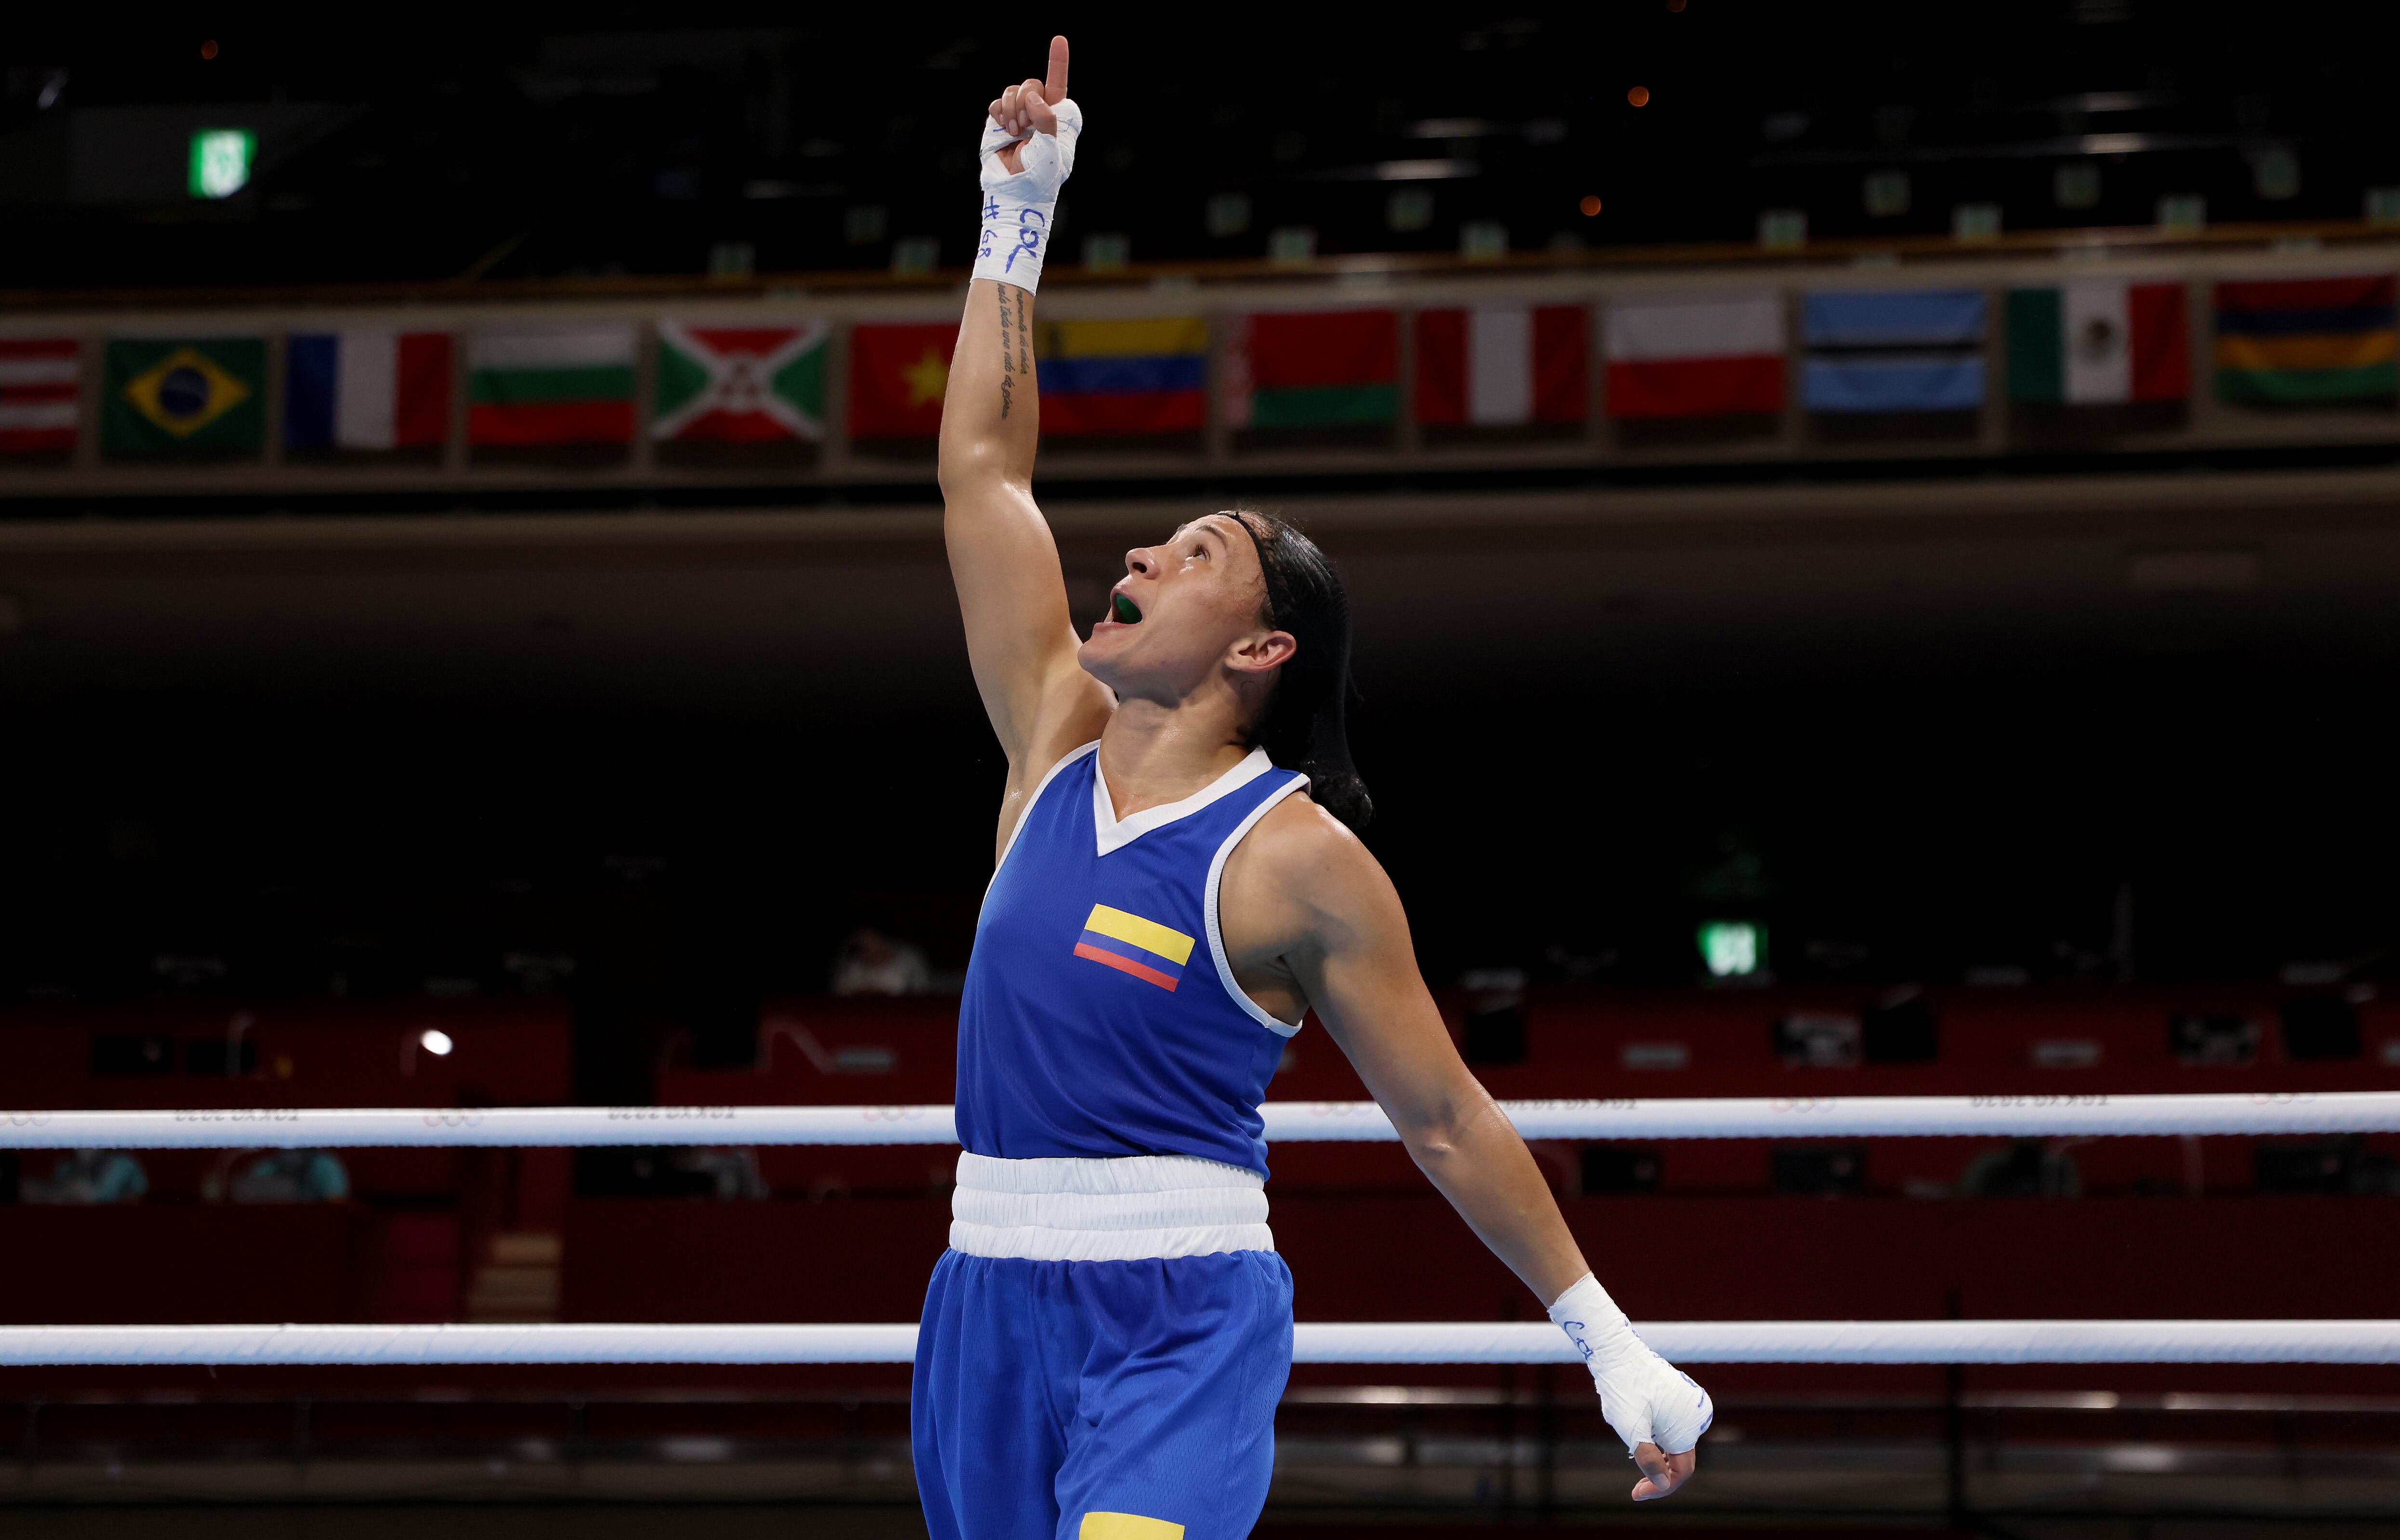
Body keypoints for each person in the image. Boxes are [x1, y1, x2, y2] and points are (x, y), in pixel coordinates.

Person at [914, 38, 1711, 1540]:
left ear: (1263, 647)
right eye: (1157, 542)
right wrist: (1015, 216)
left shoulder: (1298, 860)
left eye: (1193, 555)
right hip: (984, 1302)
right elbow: (983, 470)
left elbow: (1445, 1115)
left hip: (1181, 1312)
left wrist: (1610, 1341)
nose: (1139, 554)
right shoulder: (1049, 738)